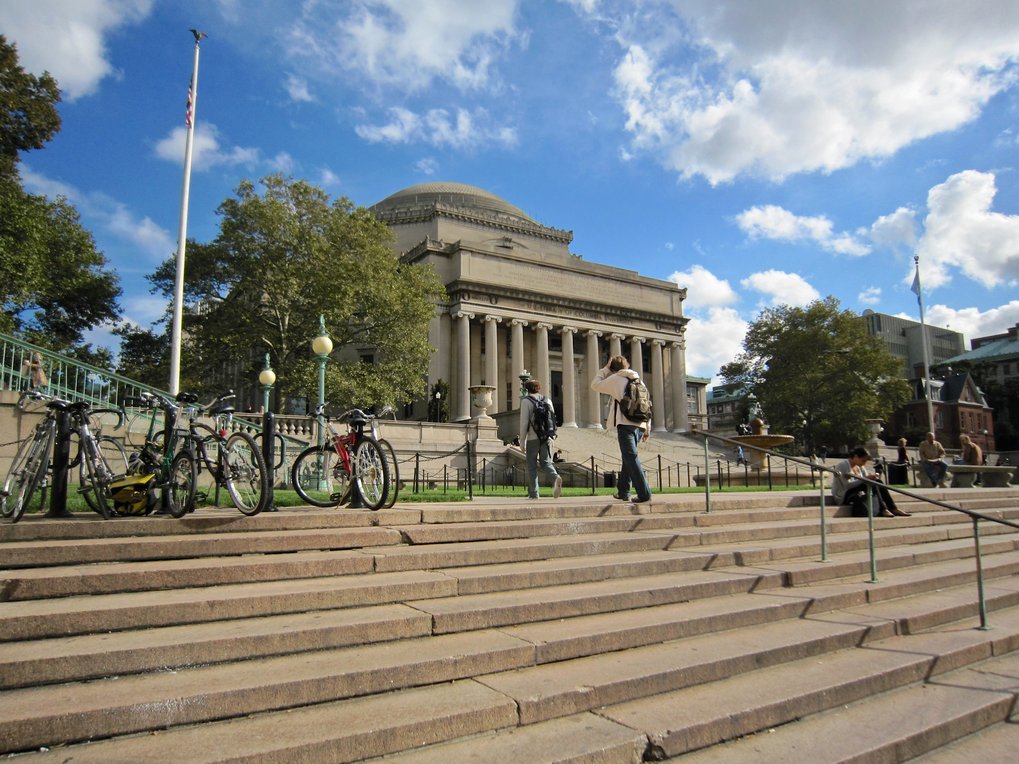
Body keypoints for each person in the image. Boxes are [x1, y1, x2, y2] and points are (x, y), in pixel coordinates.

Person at [591, 355, 652, 503]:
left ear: (613, 368)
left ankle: (644, 493)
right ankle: (623, 491)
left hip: (625, 424)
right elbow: (647, 403)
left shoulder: (615, 379)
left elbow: (595, 385)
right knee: (628, 458)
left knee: (631, 457)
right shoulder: (638, 379)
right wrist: (647, 427)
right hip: (640, 424)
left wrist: (605, 369)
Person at [832, 446, 910, 517]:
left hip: (857, 490)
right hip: (844, 494)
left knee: (877, 481)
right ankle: (883, 509)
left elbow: (865, 479)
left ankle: (893, 507)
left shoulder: (859, 466)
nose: (864, 463)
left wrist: (873, 477)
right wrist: (865, 479)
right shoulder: (843, 465)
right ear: (855, 457)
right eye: (863, 460)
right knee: (870, 483)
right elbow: (847, 485)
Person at [517, 379, 562, 500]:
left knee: (531, 465)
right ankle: (555, 477)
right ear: (539, 388)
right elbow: (553, 419)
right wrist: (552, 436)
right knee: (546, 462)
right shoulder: (547, 400)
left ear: (527, 389)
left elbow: (524, 422)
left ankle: (534, 493)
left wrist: (522, 441)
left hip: (533, 438)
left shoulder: (526, 401)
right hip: (547, 437)